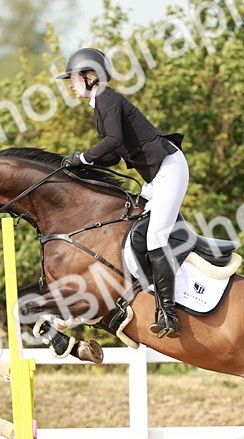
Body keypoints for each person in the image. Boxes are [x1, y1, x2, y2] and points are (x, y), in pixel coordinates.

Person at [56, 47, 188, 338]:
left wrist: (84, 158)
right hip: (154, 177)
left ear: (91, 77)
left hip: (169, 168)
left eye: (73, 78)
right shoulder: (100, 105)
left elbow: (113, 141)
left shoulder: (108, 98)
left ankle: (169, 314)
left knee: (155, 237)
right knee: (133, 227)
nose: (69, 84)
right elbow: (113, 156)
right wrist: (79, 165)